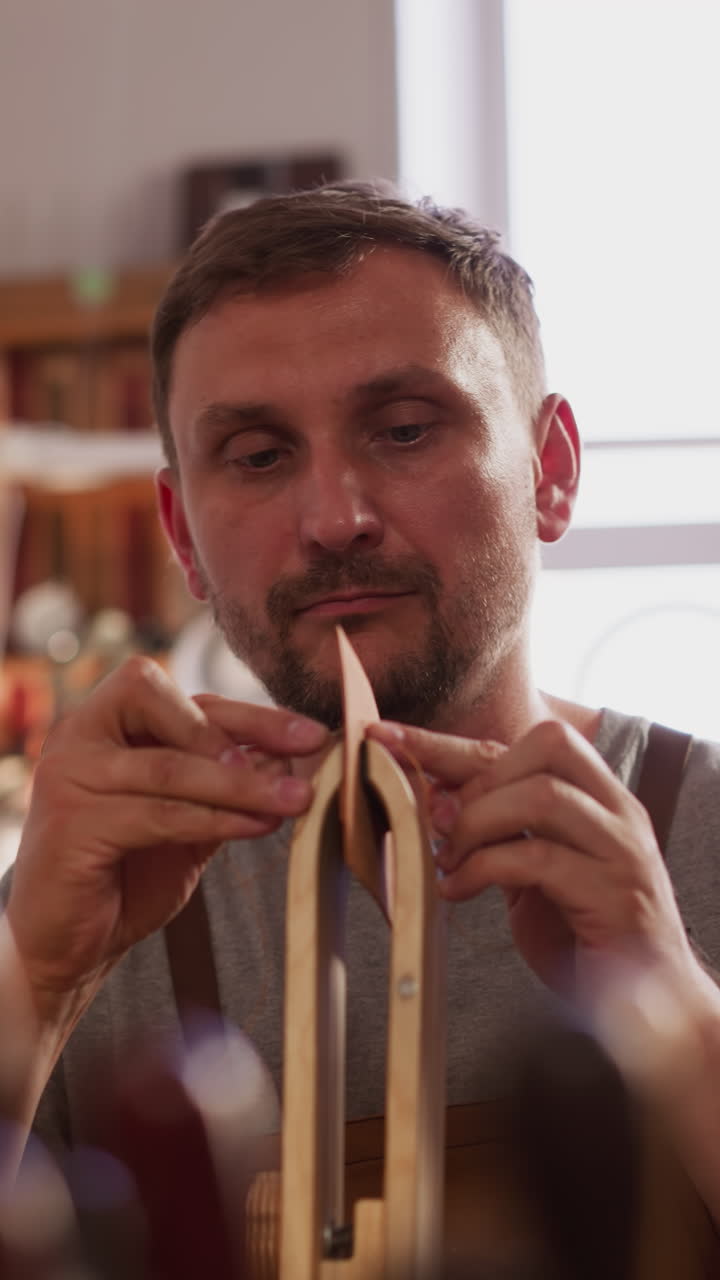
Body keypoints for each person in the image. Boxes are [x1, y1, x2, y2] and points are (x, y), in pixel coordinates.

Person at [2, 182, 720, 1231]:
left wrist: (680, 1012)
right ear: (184, 534)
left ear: (550, 470)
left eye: (404, 429)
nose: (335, 518)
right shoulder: (91, 893)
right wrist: (39, 977)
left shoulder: (703, 826)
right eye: (257, 455)